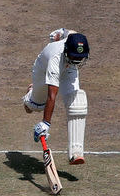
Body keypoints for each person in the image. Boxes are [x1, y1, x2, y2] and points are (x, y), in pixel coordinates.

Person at [22, 30, 89, 164]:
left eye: (79, 58)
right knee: (34, 106)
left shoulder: (75, 40)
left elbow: (68, 32)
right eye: (74, 57)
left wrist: (60, 33)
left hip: (68, 68)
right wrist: (45, 124)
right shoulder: (55, 58)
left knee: (77, 102)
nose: (77, 60)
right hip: (43, 69)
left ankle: (76, 152)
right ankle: (31, 93)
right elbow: (52, 95)